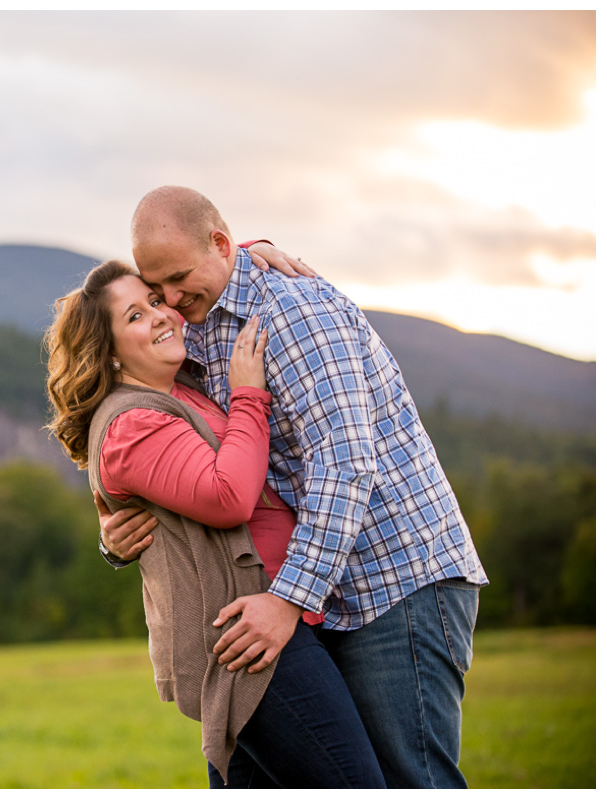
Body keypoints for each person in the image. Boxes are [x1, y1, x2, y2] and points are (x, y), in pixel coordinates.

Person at [99, 186, 487, 788]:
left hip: (391, 579)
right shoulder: (195, 320)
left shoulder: (294, 313)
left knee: (412, 781)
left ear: (222, 245)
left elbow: (344, 463)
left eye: (178, 280)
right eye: (157, 289)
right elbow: (176, 457)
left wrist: (288, 600)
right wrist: (115, 534)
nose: (171, 301)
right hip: (322, 595)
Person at [44, 259, 385, 788]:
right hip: (248, 637)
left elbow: (192, 257)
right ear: (109, 354)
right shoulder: (132, 422)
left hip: (270, 619)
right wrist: (250, 393)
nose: (161, 316)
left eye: (157, 302)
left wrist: (243, 251)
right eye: (135, 315)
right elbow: (228, 497)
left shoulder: (179, 392)